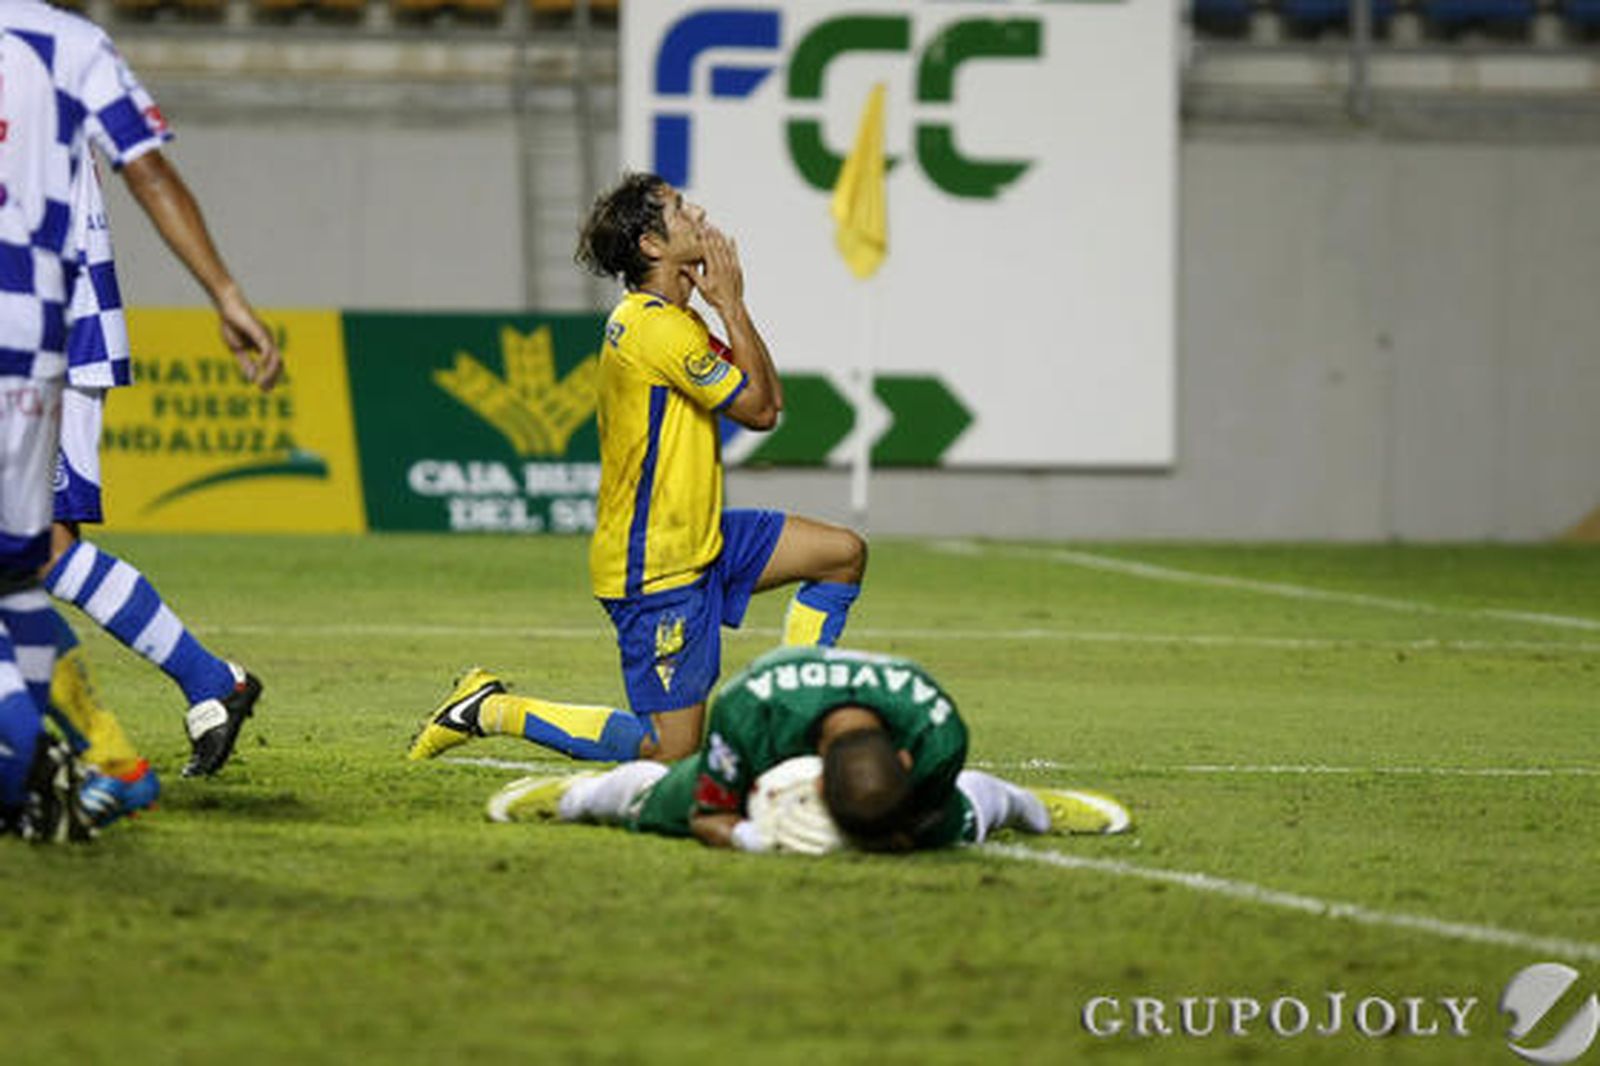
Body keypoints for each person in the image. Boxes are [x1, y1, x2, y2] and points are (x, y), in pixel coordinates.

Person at [409, 173, 866, 766]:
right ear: (652, 245)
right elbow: (756, 409)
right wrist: (731, 305)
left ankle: (795, 717)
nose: (697, 211)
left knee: (840, 555)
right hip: (656, 566)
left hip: (702, 536)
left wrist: (733, 310)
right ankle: (490, 708)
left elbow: (769, 403)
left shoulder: (674, 321)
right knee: (670, 755)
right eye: (679, 209)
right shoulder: (657, 329)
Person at [1, 0, 281, 811]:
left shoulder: (61, 43)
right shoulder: (76, 45)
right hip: (51, 326)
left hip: (50, 335)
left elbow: (142, 168)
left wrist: (226, 293)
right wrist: (224, 293)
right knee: (29, 559)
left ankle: (95, 754)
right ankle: (169, 708)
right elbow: (148, 165)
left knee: (36, 554)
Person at [481, 645, 1133, 854]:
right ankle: (573, 798)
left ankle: (1039, 809)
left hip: (861, 773)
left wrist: (897, 834)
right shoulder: (747, 707)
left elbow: (939, 809)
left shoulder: (937, 730)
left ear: (908, 761)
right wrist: (753, 835)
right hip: (767, 747)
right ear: (817, 782)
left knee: (975, 812)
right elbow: (711, 812)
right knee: (655, 796)